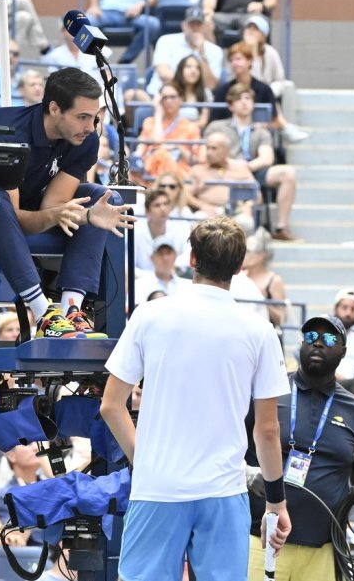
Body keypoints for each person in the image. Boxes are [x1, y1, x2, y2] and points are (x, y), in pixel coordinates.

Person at [101, 217, 292, 580]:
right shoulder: (260, 331)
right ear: (238, 267)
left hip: (157, 488)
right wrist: (275, 503)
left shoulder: (149, 315)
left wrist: (146, 462)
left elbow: (111, 406)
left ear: (191, 259)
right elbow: (267, 431)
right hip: (222, 492)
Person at [0, 67, 134, 339]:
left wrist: (87, 215)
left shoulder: (85, 140)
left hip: (28, 207)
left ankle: (71, 310)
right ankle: (43, 314)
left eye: (94, 117)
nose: (90, 127)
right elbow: (17, 218)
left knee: (98, 195)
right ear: (55, 108)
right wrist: (58, 216)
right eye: (82, 117)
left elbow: (54, 205)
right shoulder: (11, 135)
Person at [242, 315, 354, 580]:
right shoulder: (269, 394)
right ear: (301, 344)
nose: (318, 344)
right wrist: (247, 473)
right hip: (260, 540)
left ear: (343, 351)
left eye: (328, 339)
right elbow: (232, 447)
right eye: (311, 337)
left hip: (323, 547)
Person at [205, 83, 301, 240]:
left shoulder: (260, 131)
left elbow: (267, 157)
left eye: (248, 98)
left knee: (288, 173)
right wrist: (231, 165)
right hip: (224, 171)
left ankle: (281, 227)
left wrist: (246, 167)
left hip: (252, 169)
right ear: (230, 105)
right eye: (239, 99)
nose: (244, 102)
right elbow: (206, 153)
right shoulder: (217, 127)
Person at [145, 9, 223, 97]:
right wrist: (191, 82)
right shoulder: (166, 41)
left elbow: (211, 85)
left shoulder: (215, 50)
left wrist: (202, 54)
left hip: (197, 101)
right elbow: (163, 72)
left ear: (204, 27)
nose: (195, 28)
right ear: (183, 26)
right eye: (191, 24)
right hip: (161, 95)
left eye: (198, 24)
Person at [86, 0, 161, 65]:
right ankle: (94, 63)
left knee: (153, 24)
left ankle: (124, 62)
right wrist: (94, 5)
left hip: (133, 16)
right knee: (86, 22)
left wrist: (141, 4)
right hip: (106, 12)